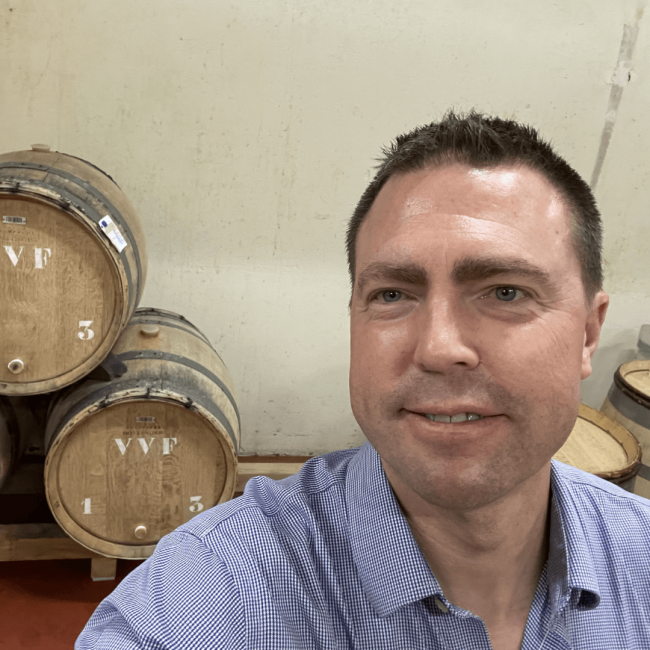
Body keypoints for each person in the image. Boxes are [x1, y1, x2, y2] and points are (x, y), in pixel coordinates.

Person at [76, 111, 650, 650]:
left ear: (587, 334)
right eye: (393, 294)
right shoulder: (213, 593)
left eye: (505, 292)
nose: (439, 346)